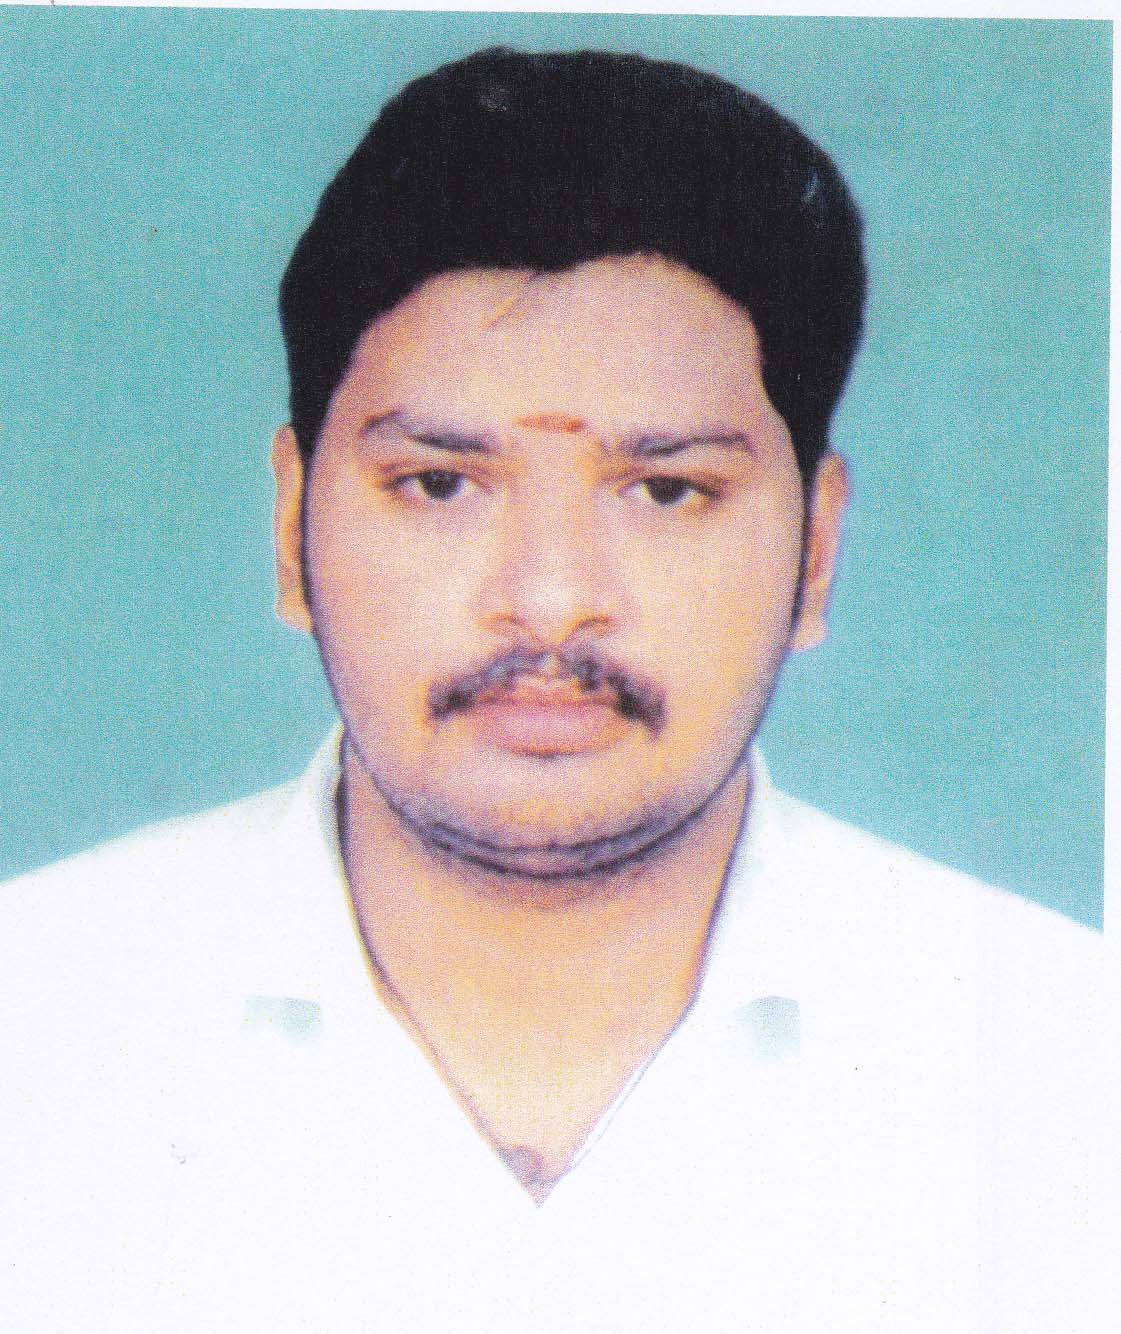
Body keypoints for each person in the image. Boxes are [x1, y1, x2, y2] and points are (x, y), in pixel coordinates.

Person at [1, 47, 1111, 1333]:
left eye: (665, 490)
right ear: (292, 524)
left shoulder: (1064, 1064)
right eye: (438, 483)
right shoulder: (38, 1017)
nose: (547, 599)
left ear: (814, 548)